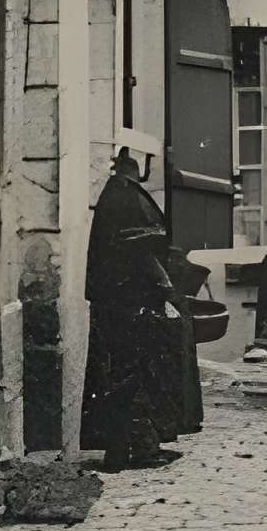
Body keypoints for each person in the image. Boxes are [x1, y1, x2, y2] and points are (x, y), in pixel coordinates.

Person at [81, 151, 202, 470]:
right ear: (138, 166)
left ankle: (123, 449)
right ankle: (135, 448)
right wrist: (168, 292)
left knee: (121, 376)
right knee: (138, 376)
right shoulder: (127, 198)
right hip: (132, 305)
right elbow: (143, 253)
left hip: (115, 304)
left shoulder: (114, 195)